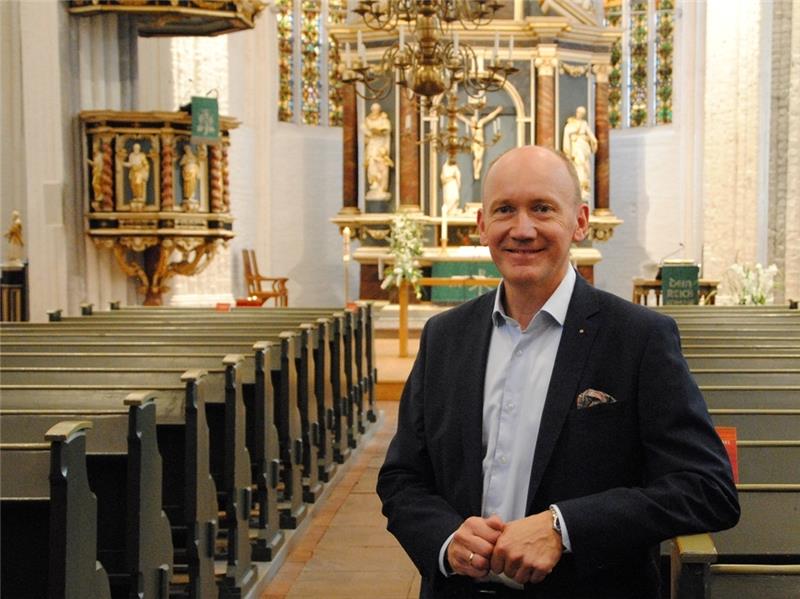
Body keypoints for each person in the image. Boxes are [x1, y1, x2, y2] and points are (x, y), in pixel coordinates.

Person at [377, 145, 739, 599]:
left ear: (580, 221)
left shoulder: (639, 338)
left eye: (543, 208)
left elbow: (707, 489)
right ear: (482, 225)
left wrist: (563, 527)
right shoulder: (444, 337)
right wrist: (448, 539)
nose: (522, 229)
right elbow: (401, 478)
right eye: (505, 209)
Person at [457, 104, 502, 180]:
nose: (473, 121)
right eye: (472, 120)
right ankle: (476, 172)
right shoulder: (471, 125)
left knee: (479, 158)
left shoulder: (480, 123)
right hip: (474, 143)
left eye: (474, 119)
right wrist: (455, 114)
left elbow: (489, 117)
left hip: (481, 143)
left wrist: (497, 111)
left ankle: (477, 171)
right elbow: (462, 118)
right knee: (476, 158)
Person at [562, 106, 597, 201]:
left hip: (583, 146)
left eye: (582, 113)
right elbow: (567, 132)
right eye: (578, 112)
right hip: (576, 147)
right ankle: (579, 188)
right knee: (577, 166)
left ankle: (583, 189)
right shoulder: (571, 123)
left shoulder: (584, 124)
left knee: (584, 167)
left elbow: (591, 136)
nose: (579, 114)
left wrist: (592, 142)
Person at [363, 102, 392, 199]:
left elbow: (387, 129)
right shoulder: (367, 120)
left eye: (377, 109)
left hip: (380, 143)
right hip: (372, 143)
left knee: (381, 164)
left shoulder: (384, 120)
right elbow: (364, 129)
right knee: (371, 163)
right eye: (374, 109)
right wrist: (370, 133)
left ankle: (381, 186)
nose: (375, 111)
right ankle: (374, 182)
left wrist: (380, 131)